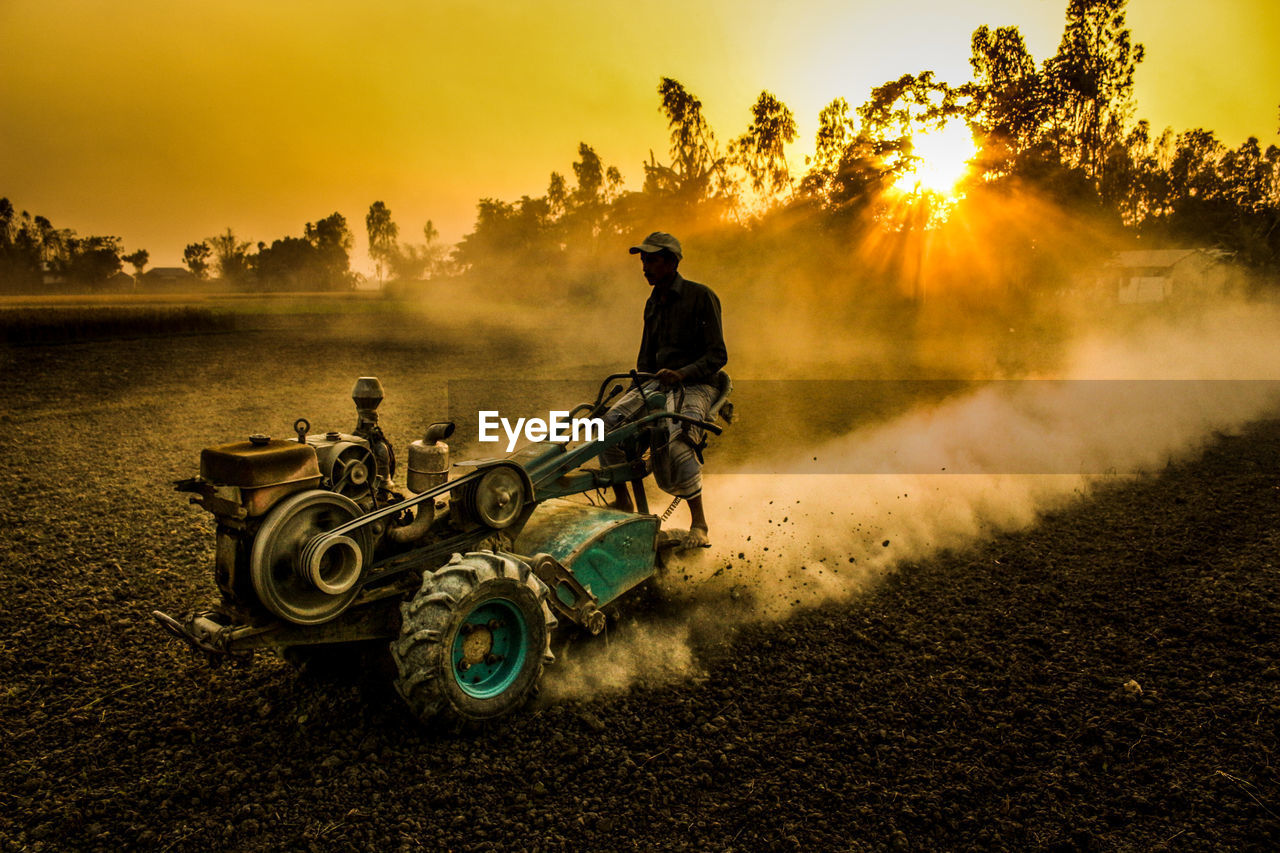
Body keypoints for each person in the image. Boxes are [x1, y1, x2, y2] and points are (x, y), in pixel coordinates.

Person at [603, 231, 727, 547]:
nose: (645, 266)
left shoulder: (701, 297)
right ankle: (623, 503)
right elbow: (646, 355)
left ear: (671, 262)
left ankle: (699, 523)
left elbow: (717, 356)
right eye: (643, 260)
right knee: (605, 429)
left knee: (679, 441)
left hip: (697, 383)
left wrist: (682, 373)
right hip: (656, 381)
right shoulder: (652, 302)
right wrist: (635, 389)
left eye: (652, 260)